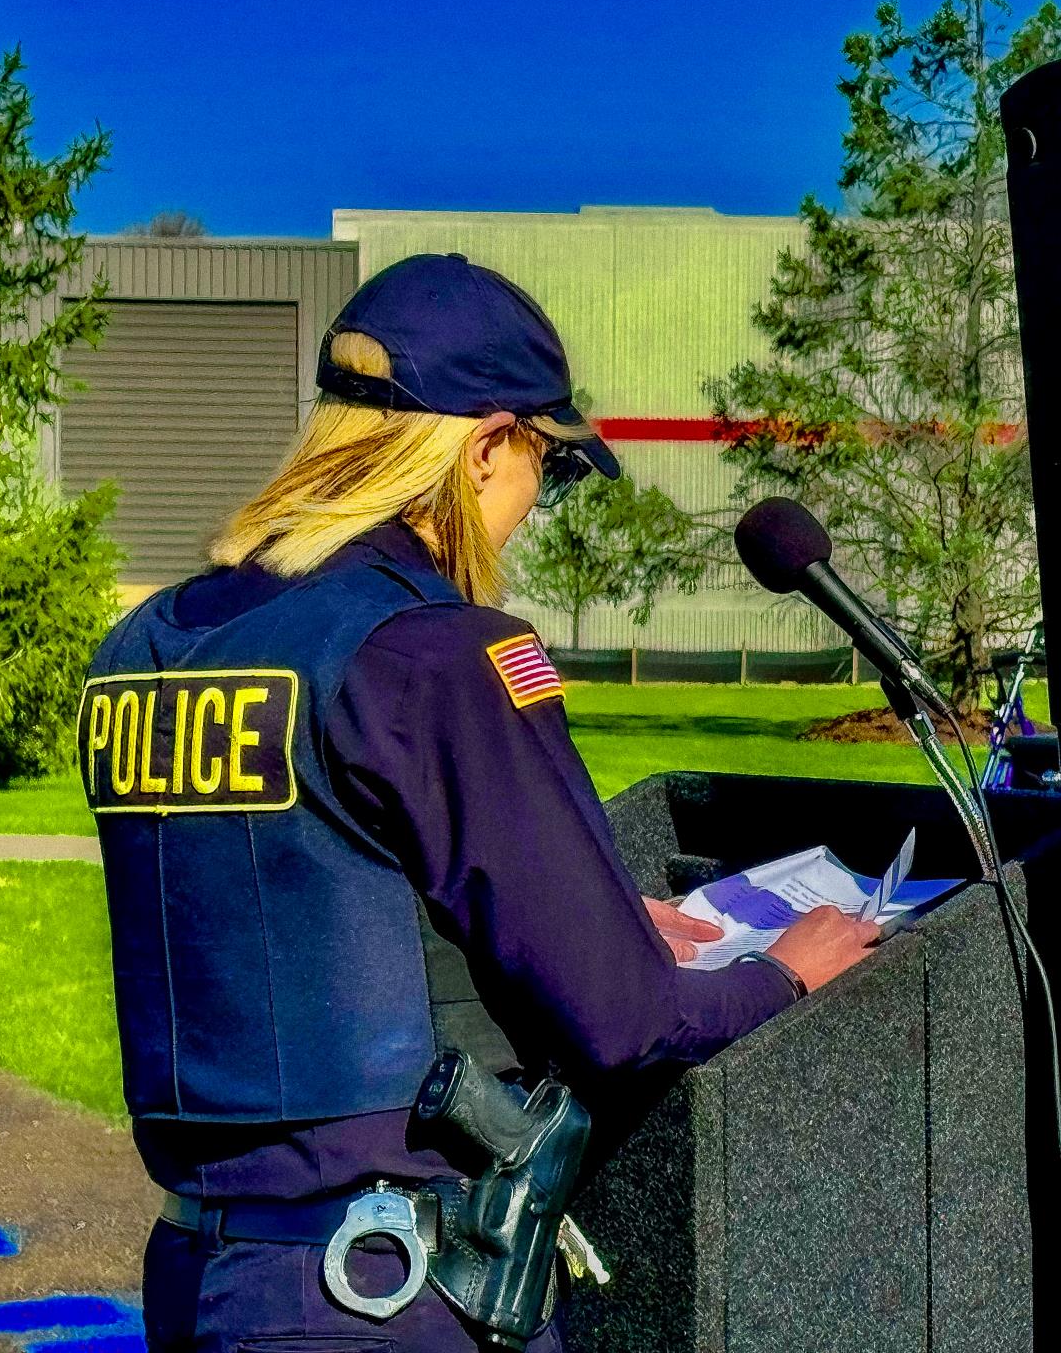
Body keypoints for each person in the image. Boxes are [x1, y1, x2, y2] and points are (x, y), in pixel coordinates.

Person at [77, 253, 879, 1353]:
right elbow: (629, 1020)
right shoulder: (435, 654)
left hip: (202, 1270)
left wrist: (573, 922)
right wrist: (788, 972)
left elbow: (293, 896)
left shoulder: (152, 645)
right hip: (385, 1290)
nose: (532, 507)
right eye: (545, 467)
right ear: (487, 444)